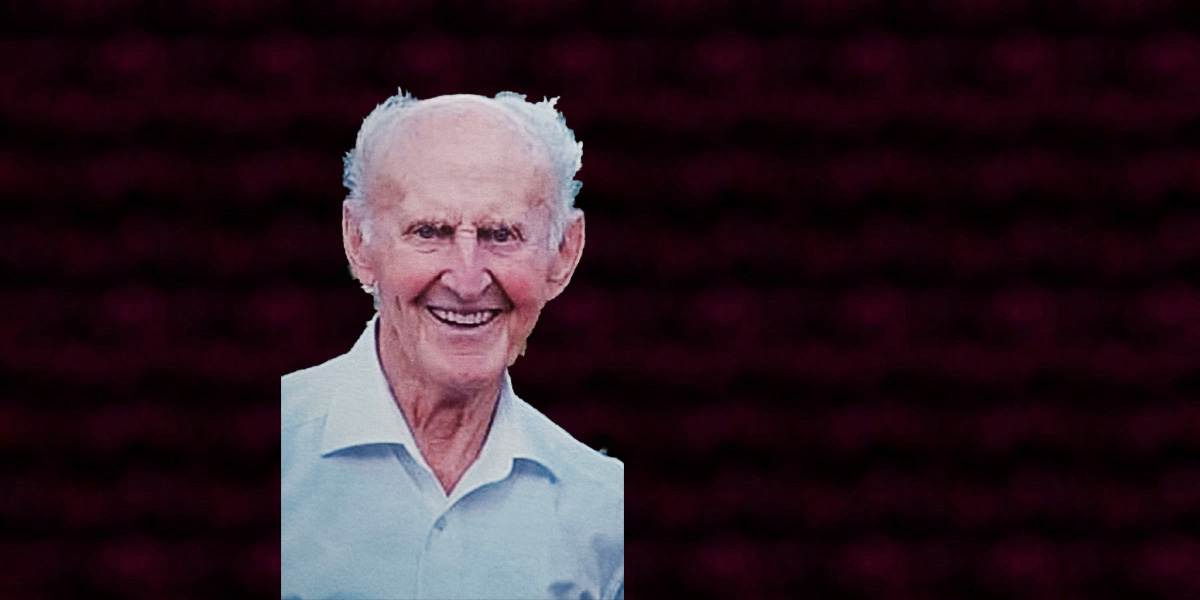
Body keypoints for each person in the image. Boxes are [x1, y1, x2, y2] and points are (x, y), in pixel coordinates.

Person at [280, 90, 624, 600]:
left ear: (564, 253)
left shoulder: (605, 513)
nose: (466, 281)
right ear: (358, 241)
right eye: (430, 231)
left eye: (501, 234)